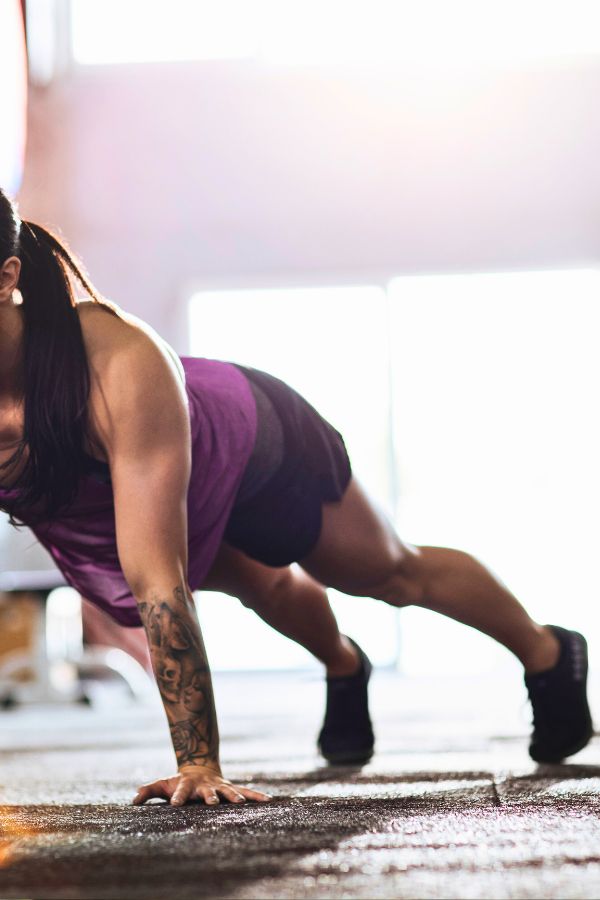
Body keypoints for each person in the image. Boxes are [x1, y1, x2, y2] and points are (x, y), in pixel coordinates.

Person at [0, 186, 592, 808]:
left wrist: (198, 763)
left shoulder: (115, 359)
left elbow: (158, 583)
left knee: (382, 572)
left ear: (6, 275)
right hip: (100, 491)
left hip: (247, 442)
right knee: (264, 585)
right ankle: (343, 664)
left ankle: (548, 651)